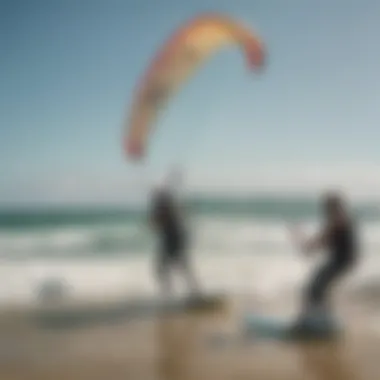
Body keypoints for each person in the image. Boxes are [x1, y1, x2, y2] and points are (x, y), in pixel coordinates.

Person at [290, 191, 359, 324]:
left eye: (328, 208)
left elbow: (320, 239)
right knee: (316, 287)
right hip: (343, 260)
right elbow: (314, 246)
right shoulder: (340, 221)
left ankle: (318, 320)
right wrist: (300, 238)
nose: (326, 212)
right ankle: (321, 319)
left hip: (342, 260)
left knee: (314, 288)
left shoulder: (339, 220)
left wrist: (301, 237)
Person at [149, 185, 199, 297]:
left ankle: (173, 293)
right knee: (179, 268)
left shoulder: (165, 209)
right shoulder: (168, 208)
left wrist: (155, 216)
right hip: (174, 240)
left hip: (173, 241)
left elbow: (156, 224)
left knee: (171, 268)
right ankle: (189, 292)